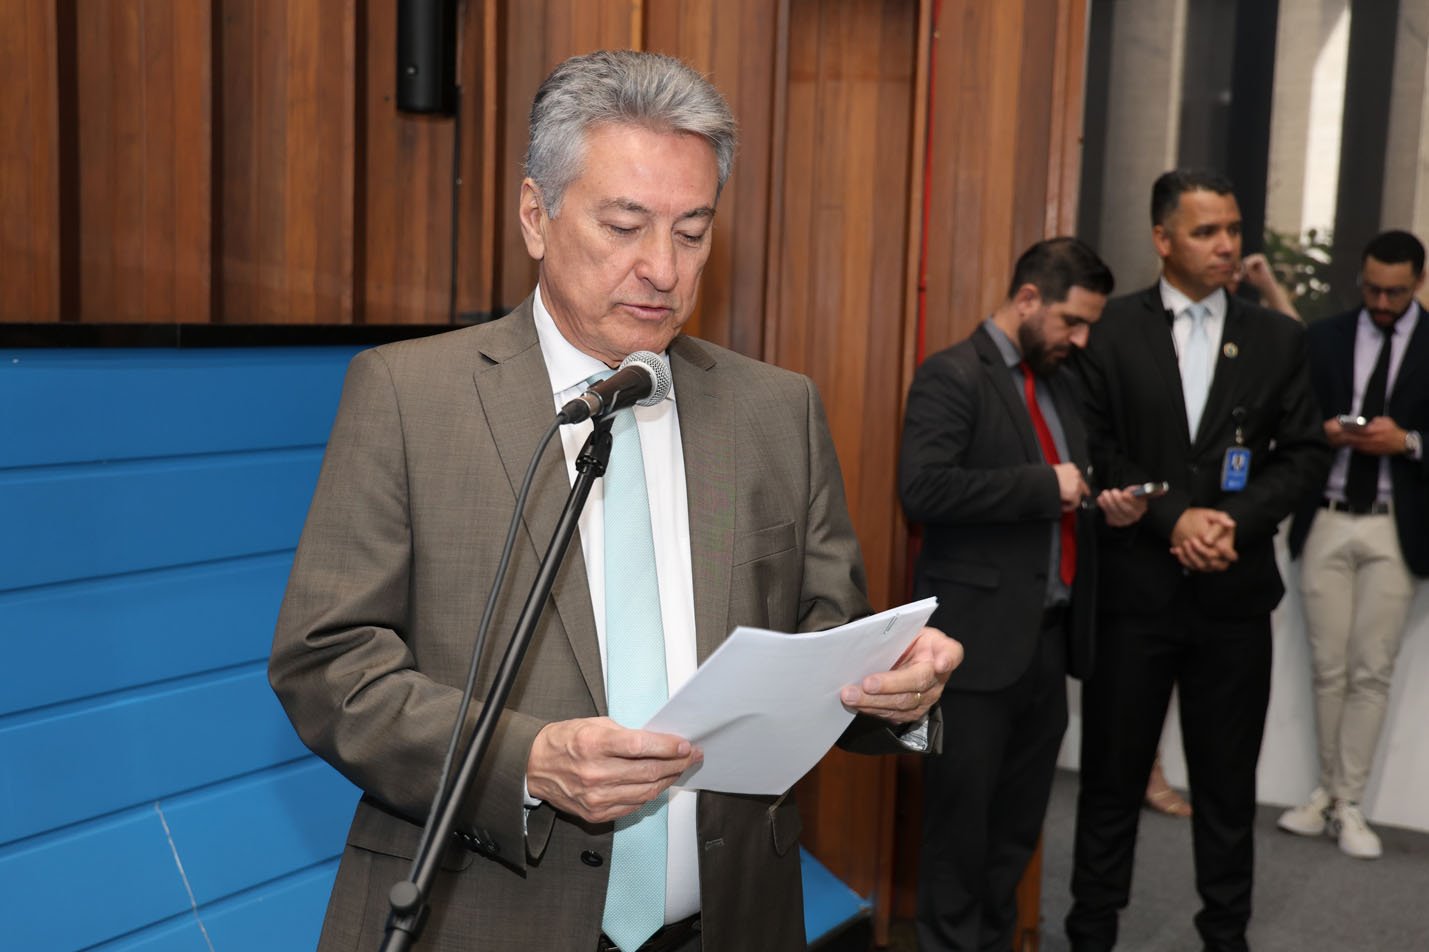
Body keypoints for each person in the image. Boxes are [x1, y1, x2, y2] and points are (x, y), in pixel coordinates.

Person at [268, 50, 962, 952]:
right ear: (535, 215)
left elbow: (823, 641)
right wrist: (526, 761)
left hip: (729, 924)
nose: (662, 269)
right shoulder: (409, 396)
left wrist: (893, 688)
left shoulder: (773, 409)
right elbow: (327, 665)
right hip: (481, 918)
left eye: (691, 232)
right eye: (625, 225)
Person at [1065, 169, 1330, 952]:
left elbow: (1303, 453)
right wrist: (1173, 518)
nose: (1225, 246)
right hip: (1133, 596)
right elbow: (1095, 445)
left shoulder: (1277, 337)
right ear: (1161, 239)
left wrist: (1231, 523)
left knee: (1225, 788)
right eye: (1205, 231)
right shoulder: (1110, 330)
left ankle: (1224, 934)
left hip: (1231, 598)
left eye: (1232, 230)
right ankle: (1090, 933)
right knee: (1110, 782)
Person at [900, 238, 1145, 952]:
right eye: (1072, 321)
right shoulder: (951, 374)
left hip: (1048, 644)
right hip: (971, 651)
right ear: (1029, 299)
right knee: (958, 838)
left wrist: (1102, 505)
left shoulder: (1061, 384)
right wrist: (1046, 486)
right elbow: (923, 489)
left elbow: (1066, 493)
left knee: (1013, 838)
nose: (1081, 339)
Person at [1281, 230, 1428, 859]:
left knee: (1372, 669)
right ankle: (1327, 792)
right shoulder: (1325, 337)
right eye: (1372, 289)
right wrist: (1326, 432)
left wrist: (1408, 442)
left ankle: (1351, 802)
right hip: (1328, 514)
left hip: (1397, 522)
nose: (1382, 302)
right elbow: (1289, 422)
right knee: (1328, 665)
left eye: (1395, 292)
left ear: (1418, 282)